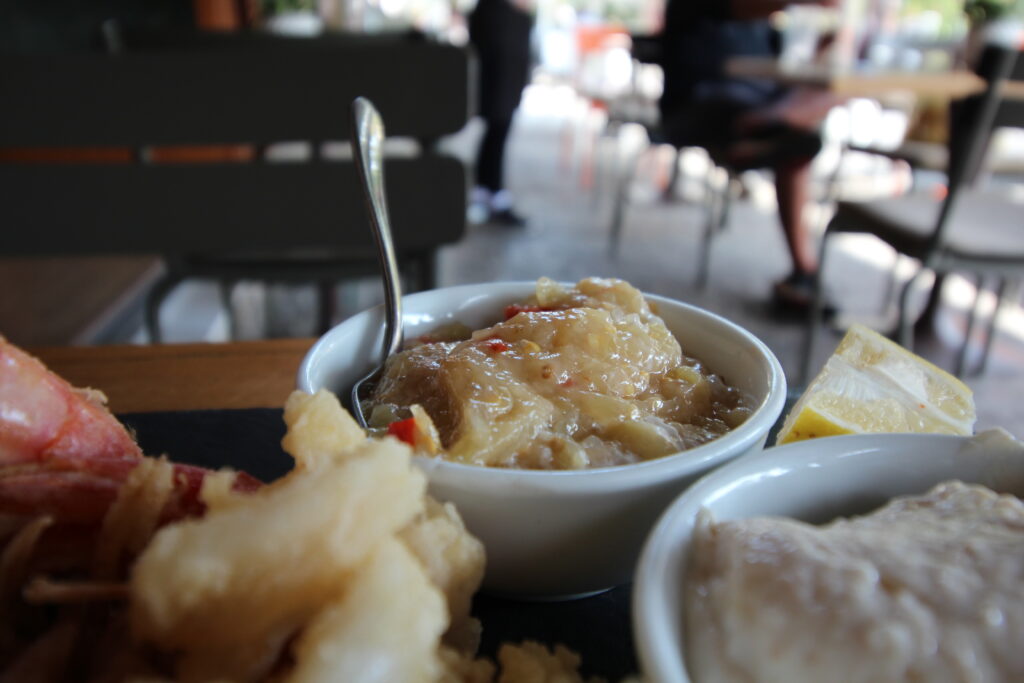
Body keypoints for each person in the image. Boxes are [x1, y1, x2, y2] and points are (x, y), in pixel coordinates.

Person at [659, 0, 841, 310]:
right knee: (793, 143)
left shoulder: (768, 25)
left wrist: (830, 41)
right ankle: (764, 131)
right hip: (697, 109)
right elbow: (737, 8)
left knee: (805, 128)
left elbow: (791, 71)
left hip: (757, 107)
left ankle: (768, 128)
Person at [467, 0, 534, 226]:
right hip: (499, 58)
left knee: (497, 132)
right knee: (497, 130)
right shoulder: (496, 15)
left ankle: (488, 192)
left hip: (504, 61)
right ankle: (489, 193)